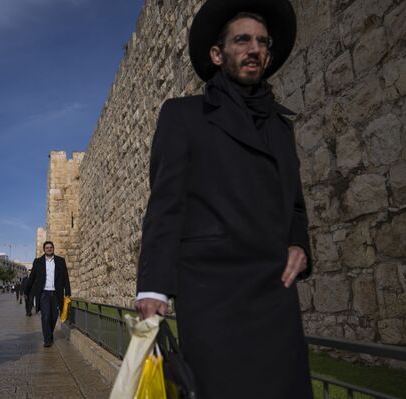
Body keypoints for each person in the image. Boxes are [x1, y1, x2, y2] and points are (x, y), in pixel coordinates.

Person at [135, 1, 313, 398]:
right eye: (242, 40)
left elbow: (294, 202)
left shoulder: (281, 128)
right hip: (213, 293)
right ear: (218, 54)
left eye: (263, 42)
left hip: (275, 293)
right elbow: (165, 205)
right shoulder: (183, 115)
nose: (255, 48)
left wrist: (299, 242)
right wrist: (153, 288)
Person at [24, 241, 71, 347]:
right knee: (45, 316)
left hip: (56, 293)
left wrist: (68, 292)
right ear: (44, 249)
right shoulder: (38, 262)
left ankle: (49, 334)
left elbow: (65, 277)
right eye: (47, 247)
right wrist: (26, 291)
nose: (49, 249)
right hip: (44, 293)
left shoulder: (60, 261)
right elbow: (32, 278)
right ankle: (47, 340)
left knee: (54, 316)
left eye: (50, 247)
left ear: (53, 249)